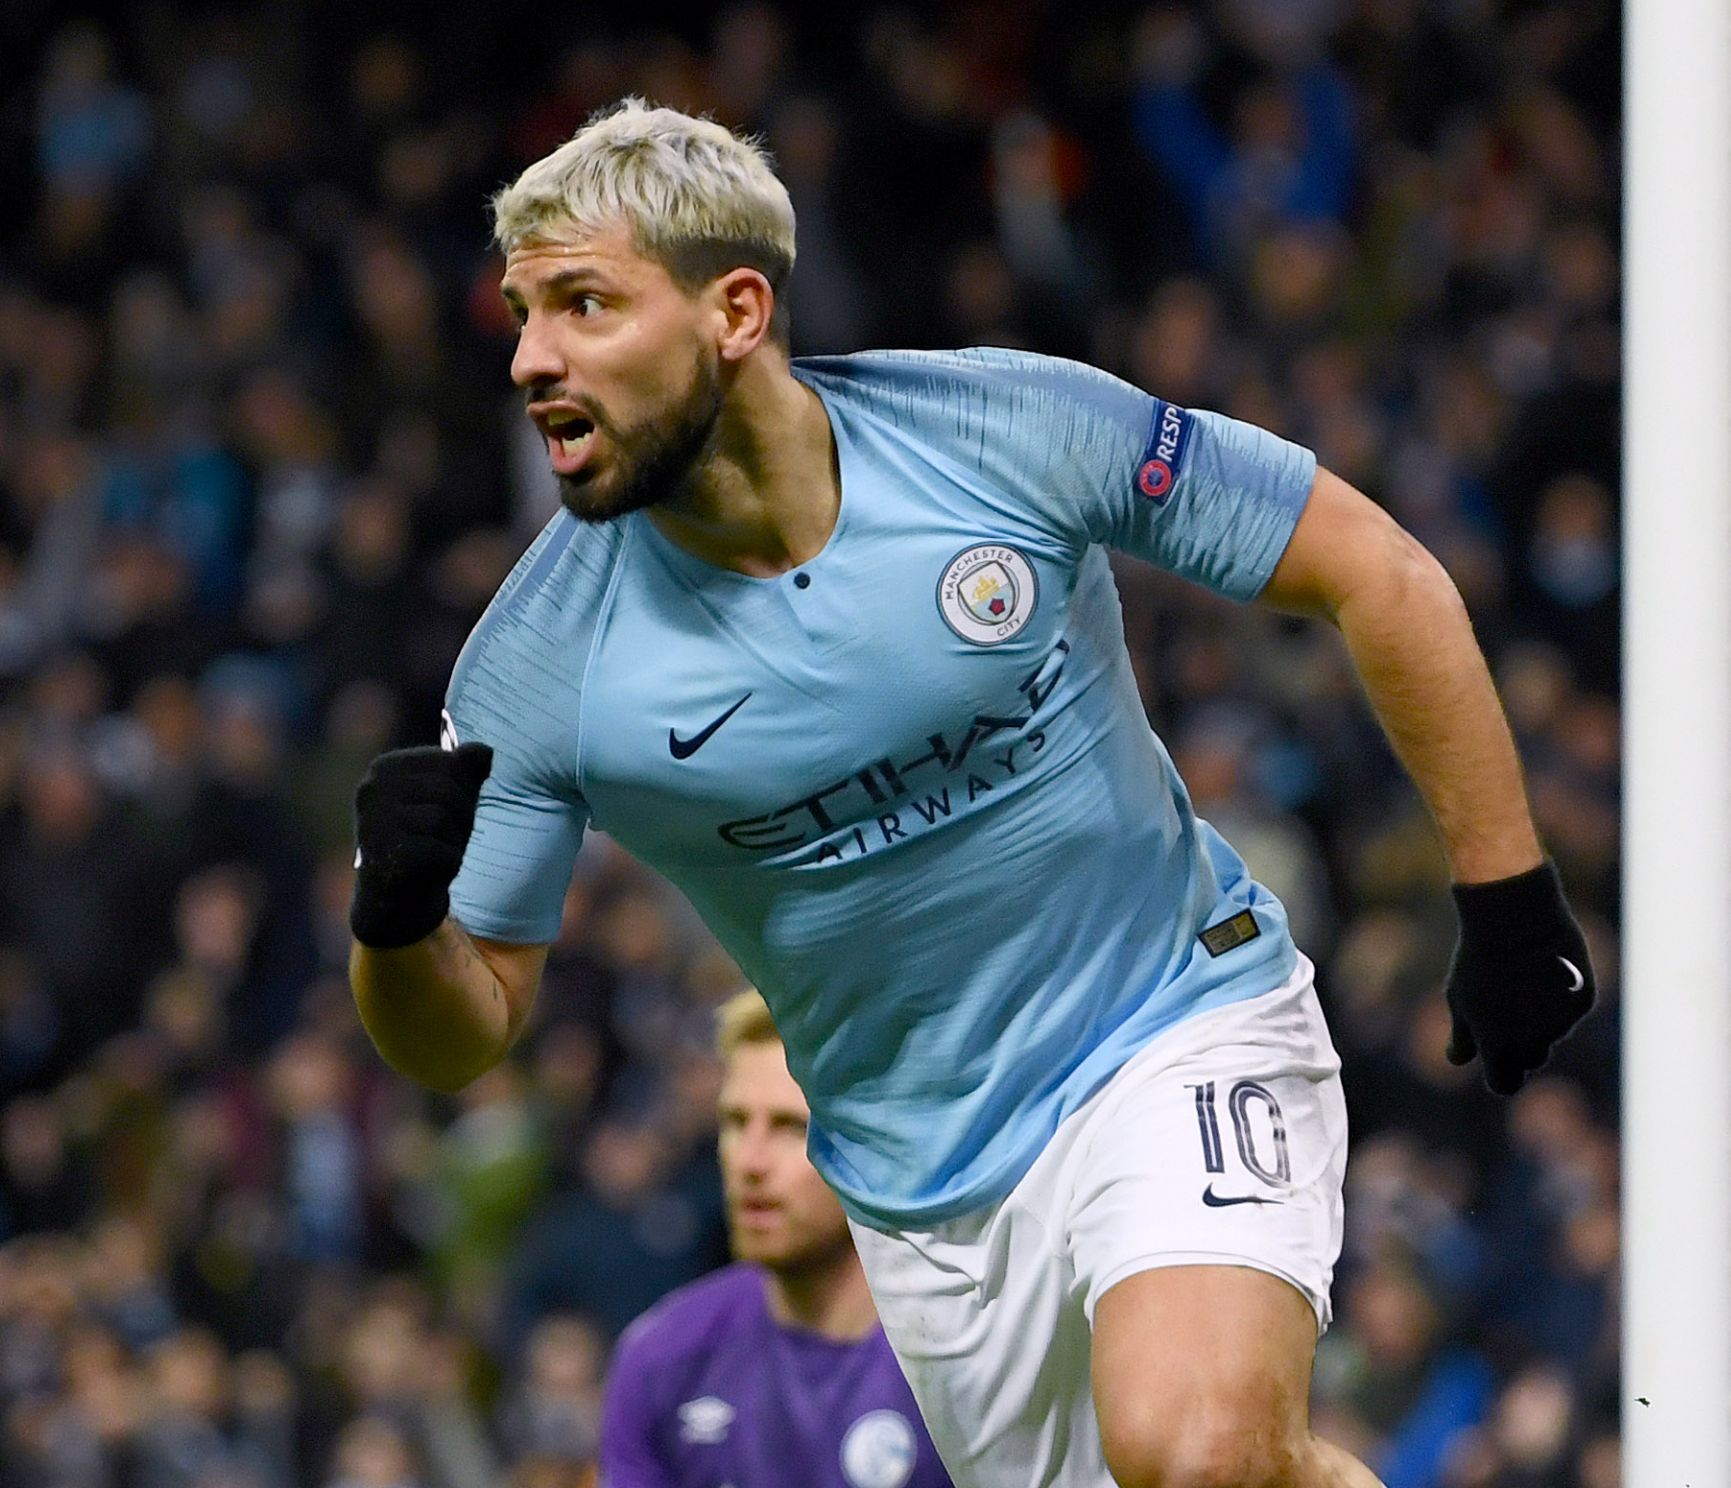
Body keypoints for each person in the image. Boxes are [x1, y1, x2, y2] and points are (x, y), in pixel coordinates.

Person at [346, 101, 1595, 1488]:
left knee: (1196, 1455)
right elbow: (465, 1033)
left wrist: (1504, 891)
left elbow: (1375, 569)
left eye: (584, 304)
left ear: (737, 312)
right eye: (523, 314)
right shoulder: (536, 667)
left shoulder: (1003, 430)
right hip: (925, 1194)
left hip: (1172, 1020)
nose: (533, 358)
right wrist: (396, 922)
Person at [597, 988, 951, 1488]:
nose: (750, 1161)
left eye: (790, 1127)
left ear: (875, 1143)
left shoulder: (963, 1358)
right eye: (736, 1123)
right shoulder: (663, 1359)